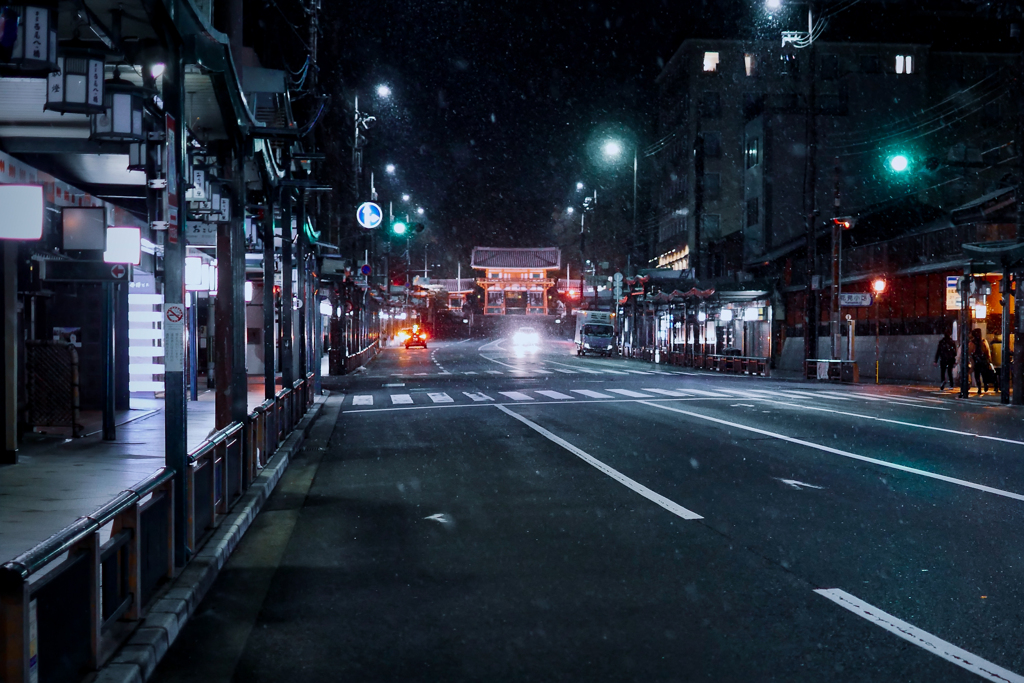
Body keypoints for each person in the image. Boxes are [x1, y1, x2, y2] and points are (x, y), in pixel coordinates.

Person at [968, 328, 993, 395]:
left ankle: (979, 387)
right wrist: (989, 360)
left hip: (976, 361)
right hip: (983, 360)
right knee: (984, 374)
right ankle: (985, 384)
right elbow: (987, 351)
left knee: (977, 375)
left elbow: (969, 352)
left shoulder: (972, 343)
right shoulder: (983, 341)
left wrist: (970, 360)